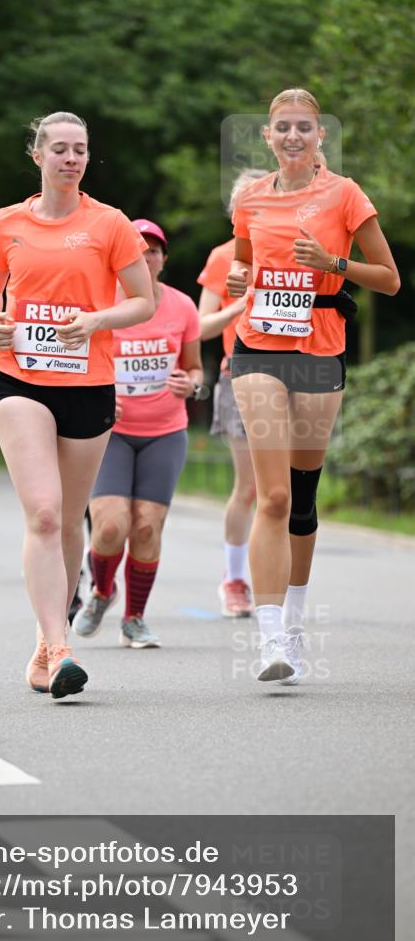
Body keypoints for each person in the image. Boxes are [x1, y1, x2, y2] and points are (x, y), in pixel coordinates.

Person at [0, 111, 153, 699]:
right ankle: (61, 649)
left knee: (70, 521)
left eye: (80, 149)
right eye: (59, 149)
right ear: (38, 156)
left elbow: (143, 301)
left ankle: (44, 644)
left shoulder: (110, 223)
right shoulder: (6, 222)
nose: (71, 158)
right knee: (46, 515)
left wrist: (96, 320)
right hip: (19, 379)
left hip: (87, 384)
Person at [227, 88, 400, 683]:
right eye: (283, 127)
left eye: (305, 126)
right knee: (272, 496)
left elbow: (390, 279)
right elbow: (244, 264)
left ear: (320, 134)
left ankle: (295, 624)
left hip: (320, 351)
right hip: (258, 348)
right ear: (268, 136)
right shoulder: (250, 198)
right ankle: (270, 637)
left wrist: (333, 264)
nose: (293, 136)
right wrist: (239, 279)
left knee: (301, 497)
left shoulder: (345, 194)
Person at [73, 218, 202, 647]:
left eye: (154, 251)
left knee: (147, 528)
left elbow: (195, 368)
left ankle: (134, 619)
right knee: (111, 527)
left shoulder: (183, 306)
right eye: (138, 251)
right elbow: (77, 361)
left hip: (165, 432)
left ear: (164, 260)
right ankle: (101, 592)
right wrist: (96, 395)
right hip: (110, 431)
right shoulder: (103, 304)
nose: (146, 258)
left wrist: (191, 383)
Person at [197, 170, 267, 618]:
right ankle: (234, 579)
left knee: (285, 490)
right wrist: (239, 306)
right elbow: (200, 326)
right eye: (247, 204)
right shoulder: (224, 257)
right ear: (234, 212)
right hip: (240, 377)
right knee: (251, 486)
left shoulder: (294, 252)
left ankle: (277, 580)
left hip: (293, 377)